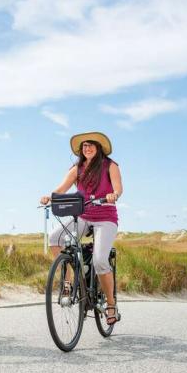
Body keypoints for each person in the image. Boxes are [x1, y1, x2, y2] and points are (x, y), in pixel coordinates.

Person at [40, 132, 123, 325]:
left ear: (99, 147)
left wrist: (113, 194)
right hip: (84, 215)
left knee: (100, 260)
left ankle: (111, 305)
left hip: (105, 217)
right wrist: (49, 197)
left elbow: (118, 188)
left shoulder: (110, 166)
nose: (87, 148)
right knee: (55, 238)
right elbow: (60, 189)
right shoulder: (77, 169)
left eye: (91, 145)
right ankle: (68, 281)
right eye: (84, 146)